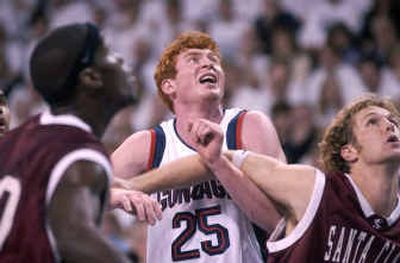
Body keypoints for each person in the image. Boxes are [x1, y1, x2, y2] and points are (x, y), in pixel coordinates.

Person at [125, 93, 400, 262]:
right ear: (348, 151)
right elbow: (217, 158)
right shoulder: (313, 189)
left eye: (393, 121)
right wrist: (132, 186)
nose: (389, 125)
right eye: (373, 121)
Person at [112, 31, 286, 262]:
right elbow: (82, 195)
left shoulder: (249, 126)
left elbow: (281, 223)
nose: (208, 63)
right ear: (169, 85)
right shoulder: (148, 144)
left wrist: (219, 165)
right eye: (194, 59)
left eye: (213, 60)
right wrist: (116, 197)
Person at [0, 23, 161, 263]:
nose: (121, 60)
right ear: (91, 78)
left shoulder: (19, 140)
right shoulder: (76, 149)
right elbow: (74, 237)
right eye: (110, 54)